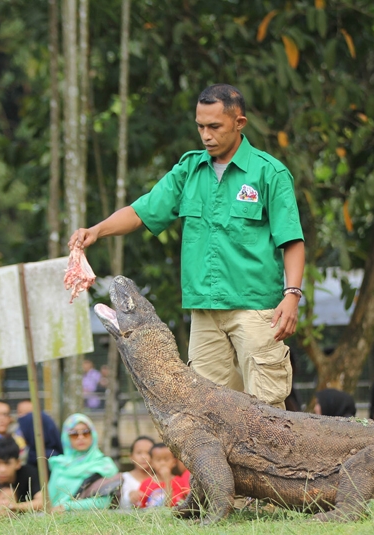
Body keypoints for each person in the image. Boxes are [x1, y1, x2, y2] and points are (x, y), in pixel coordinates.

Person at [70, 84, 305, 411]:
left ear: (240, 123)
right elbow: (142, 211)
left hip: (255, 309)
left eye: (215, 127)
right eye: (200, 126)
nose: (206, 135)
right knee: (212, 411)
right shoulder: (189, 170)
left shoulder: (269, 173)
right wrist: (97, 230)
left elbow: (291, 239)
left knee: (267, 411)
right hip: (205, 312)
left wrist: (292, 295)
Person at [48, 414, 119, 511]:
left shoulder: (104, 465)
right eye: (74, 434)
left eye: (86, 432)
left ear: (93, 434)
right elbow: (49, 500)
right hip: (54, 520)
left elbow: (106, 501)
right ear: (66, 437)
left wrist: (67, 507)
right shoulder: (59, 464)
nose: (80, 437)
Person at [137, 443, 190, 509]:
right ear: (151, 463)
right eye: (158, 460)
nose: (162, 463)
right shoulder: (146, 484)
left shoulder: (179, 482)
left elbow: (169, 504)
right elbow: (140, 507)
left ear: (174, 462)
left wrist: (167, 480)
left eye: (166, 459)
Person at [118, 436, 155, 511]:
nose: (144, 457)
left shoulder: (160, 479)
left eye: (148, 453)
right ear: (131, 457)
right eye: (139, 453)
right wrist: (129, 495)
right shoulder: (123, 478)